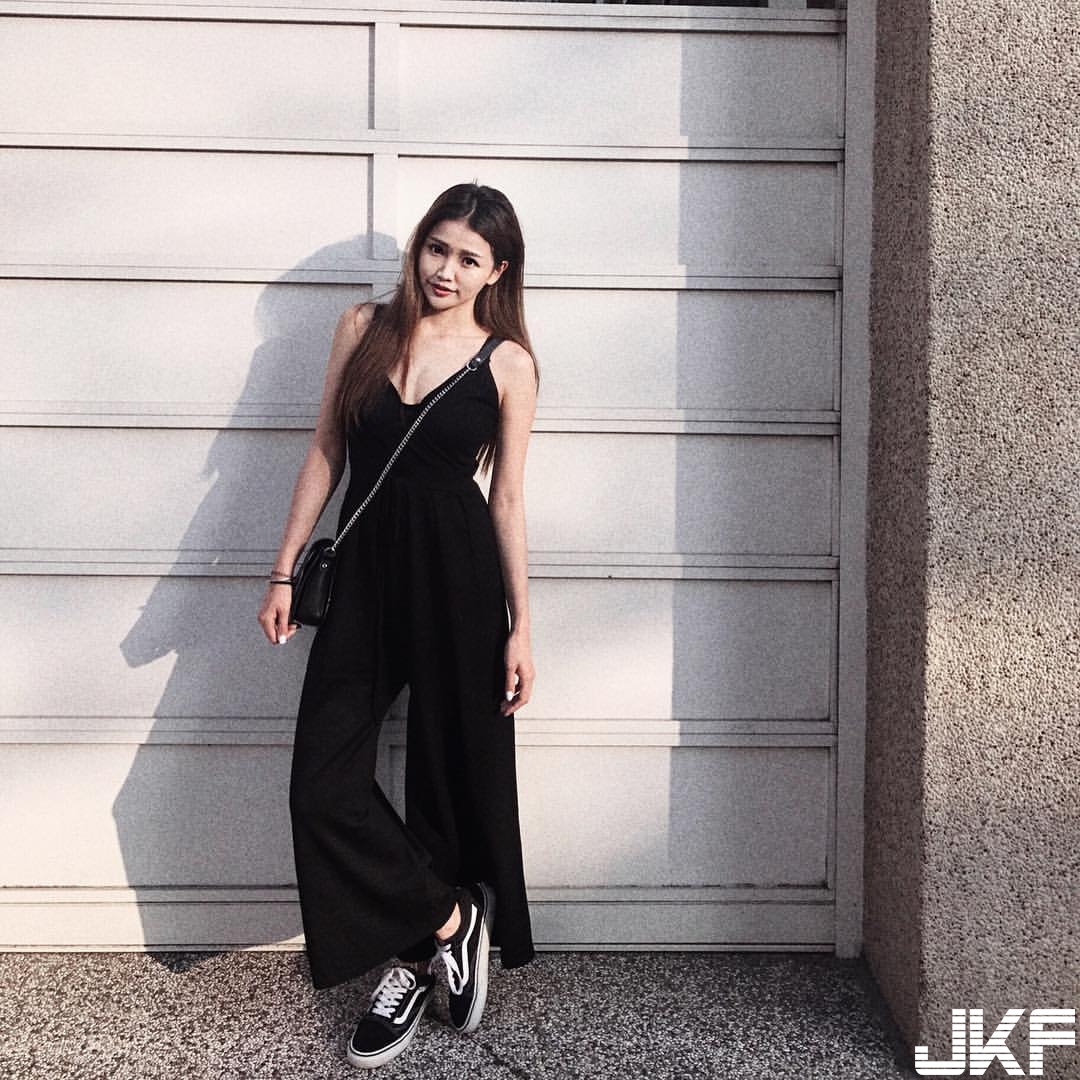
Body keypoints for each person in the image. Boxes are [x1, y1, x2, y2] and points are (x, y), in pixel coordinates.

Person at [256, 183, 538, 1069]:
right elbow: (326, 451)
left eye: (468, 258)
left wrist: (522, 626)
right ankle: (450, 921)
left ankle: (415, 965)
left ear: (497, 272)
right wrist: (284, 568)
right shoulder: (363, 328)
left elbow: (507, 499)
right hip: (367, 577)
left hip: (459, 578)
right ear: (419, 247)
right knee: (321, 782)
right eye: (437, 248)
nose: (446, 270)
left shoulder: (508, 363)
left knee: (447, 778)